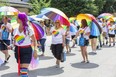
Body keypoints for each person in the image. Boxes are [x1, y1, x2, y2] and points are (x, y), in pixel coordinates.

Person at [13, 12, 38, 77]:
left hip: (27, 50)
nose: (16, 19)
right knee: (22, 70)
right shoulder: (15, 29)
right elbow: (15, 40)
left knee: (24, 70)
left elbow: (34, 40)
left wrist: (35, 50)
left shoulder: (29, 29)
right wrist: (12, 45)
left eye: (17, 18)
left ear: (21, 19)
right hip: (17, 50)